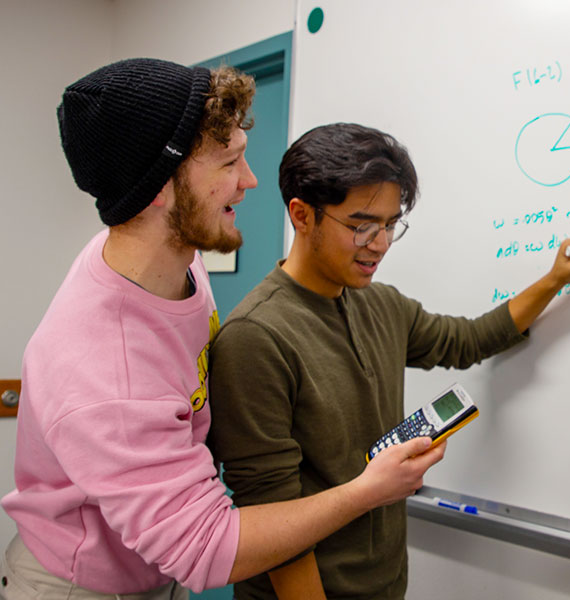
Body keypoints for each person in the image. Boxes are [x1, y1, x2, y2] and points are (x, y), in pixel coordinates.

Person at [0, 59, 445, 600]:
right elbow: (208, 548)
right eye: (230, 161)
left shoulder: (178, 262)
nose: (251, 180)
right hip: (80, 586)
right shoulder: (102, 366)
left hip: (150, 567)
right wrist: (368, 491)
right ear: (159, 187)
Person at [206, 122, 570, 599]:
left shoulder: (381, 304)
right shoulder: (255, 337)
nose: (380, 243)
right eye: (361, 226)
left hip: (385, 585)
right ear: (302, 215)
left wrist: (553, 279)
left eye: (391, 224)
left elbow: (469, 340)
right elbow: (269, 521)